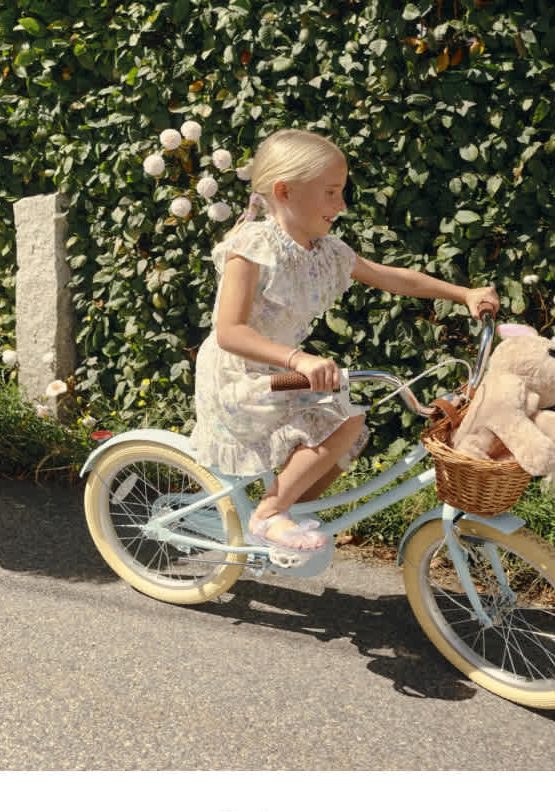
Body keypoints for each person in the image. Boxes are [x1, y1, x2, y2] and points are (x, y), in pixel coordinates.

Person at [189, 129, 499, 557]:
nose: (342, 205)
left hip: (282, 370)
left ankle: (286, 513)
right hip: (239, 374)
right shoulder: (252, 246)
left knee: (350, 425)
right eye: (332, 192)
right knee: (343, 420)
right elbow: (230, 332)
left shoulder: (325, 250)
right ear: (285, 191)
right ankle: (269, 515)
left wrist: (462, 294)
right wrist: (297, 358)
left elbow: (388, 275)